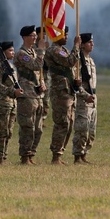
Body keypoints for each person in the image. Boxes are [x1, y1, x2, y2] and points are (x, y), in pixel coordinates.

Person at [47, 27, 80, 164]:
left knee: (69, 124)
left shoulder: (63, 50)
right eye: (64, 34)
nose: (67, 37)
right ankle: (56, 155)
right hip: (60, 92)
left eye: (67, 34)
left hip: (68, 90)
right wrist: (76, 46)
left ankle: (60, 152)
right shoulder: (55, 50)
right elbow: (70, 61)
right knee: (62, 123)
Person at [15, 25, 48, 165]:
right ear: (24, 37)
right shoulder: (22, 54)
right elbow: (35, 66)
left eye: (36, 35)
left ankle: (31, 154)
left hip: (37, 94)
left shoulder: (33, 53)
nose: (35, 38)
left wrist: (42, 83)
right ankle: (25, 156)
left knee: (38, 129)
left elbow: (38, 72)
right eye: (32, 36)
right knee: (28, 127)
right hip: (27, 94)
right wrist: (41, 50)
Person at [0, 40, 22, 164]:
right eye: (10, 50)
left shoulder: (10, 65)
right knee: (2, 132)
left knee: (9, 132)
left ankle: (4, 156)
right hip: (1, 104)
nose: (13, 52)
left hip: (12, 103)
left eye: (13, 50)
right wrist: (12, 92)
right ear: (3, 52)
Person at [72, 33, 98, 164]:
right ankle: (78, 155)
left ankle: (84, 154)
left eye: (92, 42)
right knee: (82, 129)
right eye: (89, 42)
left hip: (93, 98)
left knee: (91, 131)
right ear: (82, 44)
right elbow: (76, 83)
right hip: (84, 98)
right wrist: (85, 95)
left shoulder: (90, 60)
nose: (92, 44)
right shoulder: (78, 61)